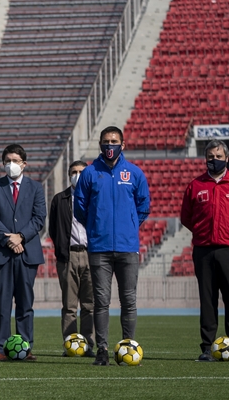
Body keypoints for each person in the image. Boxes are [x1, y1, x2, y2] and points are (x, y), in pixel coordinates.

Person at [74, 125, 150, 366]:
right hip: (99, 248)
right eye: (106, 141)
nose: (110, 145)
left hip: (128, 247)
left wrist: (130, 225)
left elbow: (143, 206)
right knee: (101, 301)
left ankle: (129, 344)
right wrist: (96, 227)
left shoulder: (135, 173)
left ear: (122, 145)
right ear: (100, 144)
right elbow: (80, 208)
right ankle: (103, 349)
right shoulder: (89, 173)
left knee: (129, 300)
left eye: (114, 141)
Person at [181, 140, 229, 362]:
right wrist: (202, 233)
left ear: (227, 158)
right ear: (205, 159)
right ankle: (207, 347)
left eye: (219, 156)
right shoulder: (195, 186)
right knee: (207, 299)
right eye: (211, 157)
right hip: (203, 250)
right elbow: (186, 217)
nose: (214, 160)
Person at [0, 144, 46, 361]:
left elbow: (39, 217)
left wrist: (21, 237)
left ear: (24, 164)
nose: (11, 164)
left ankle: (25, 347)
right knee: (1, 303)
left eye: (15, 161)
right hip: (1, 253)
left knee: (25, 303)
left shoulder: (36, 188)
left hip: (27, 254)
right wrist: (10, 240)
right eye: (8, 161)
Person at [48, 160, 94, 356]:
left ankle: (89, 344)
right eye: (73, 172)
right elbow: (53, 229)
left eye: (81, 172)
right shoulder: (60, 199)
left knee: (90, 305)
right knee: (69, 305)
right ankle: (71, 345)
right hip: (68, 256)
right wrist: (61, 250)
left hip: (91, 255)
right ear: (69, 176)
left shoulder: (96, 196)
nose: (77, 175)